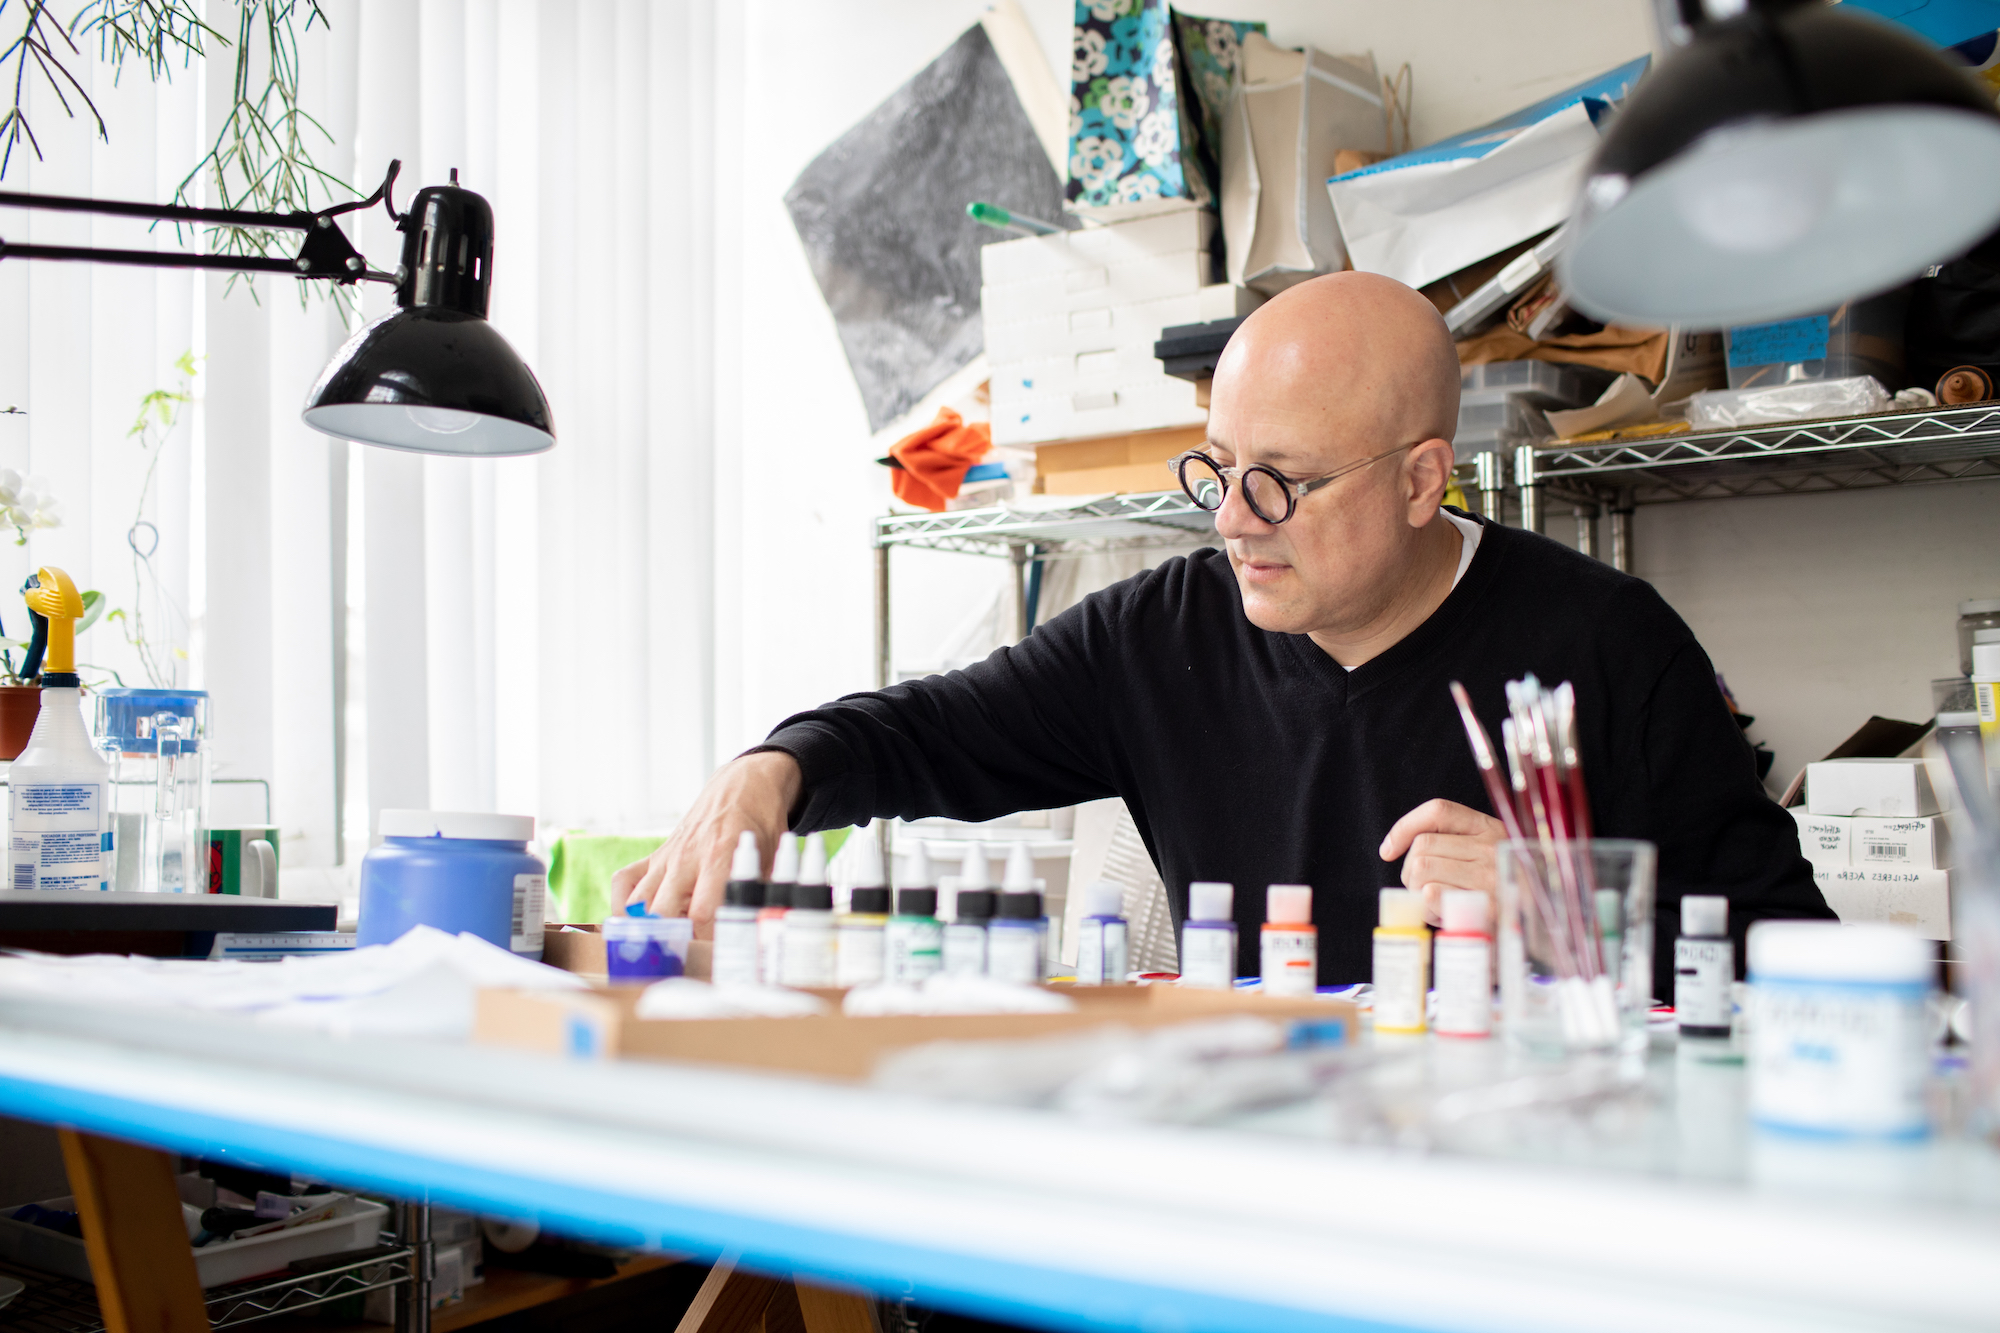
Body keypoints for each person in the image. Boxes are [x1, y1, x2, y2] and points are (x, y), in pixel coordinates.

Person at [614, 271, 1830, 986]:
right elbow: (934, 727)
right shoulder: (1162, 636)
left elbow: (1796, 960)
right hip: (1256, 1170)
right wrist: (774, 766)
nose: (1234, 522)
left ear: (1419, 482)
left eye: (1283, 481)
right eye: (1218, 468)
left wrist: (1574, 920)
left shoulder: (1606, 645)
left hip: (1512, 1188)